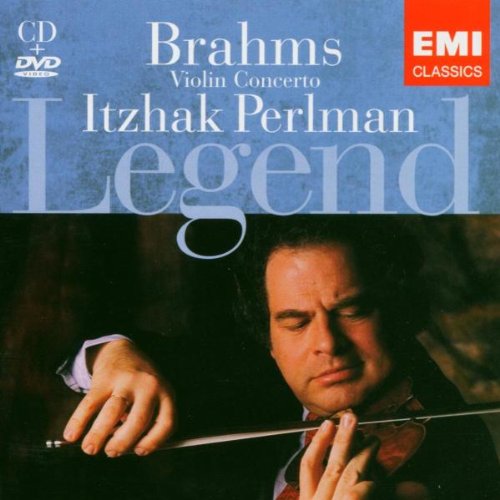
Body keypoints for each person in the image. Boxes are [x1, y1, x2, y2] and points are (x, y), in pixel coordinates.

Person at [60, 216, 499, 499]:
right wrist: (114, 355)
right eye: (296, 322)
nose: (327, 343)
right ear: (268, 337)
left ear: (398, 311)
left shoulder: (453, 462)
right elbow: (85, 349)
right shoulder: (257, 374)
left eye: (352, 311)